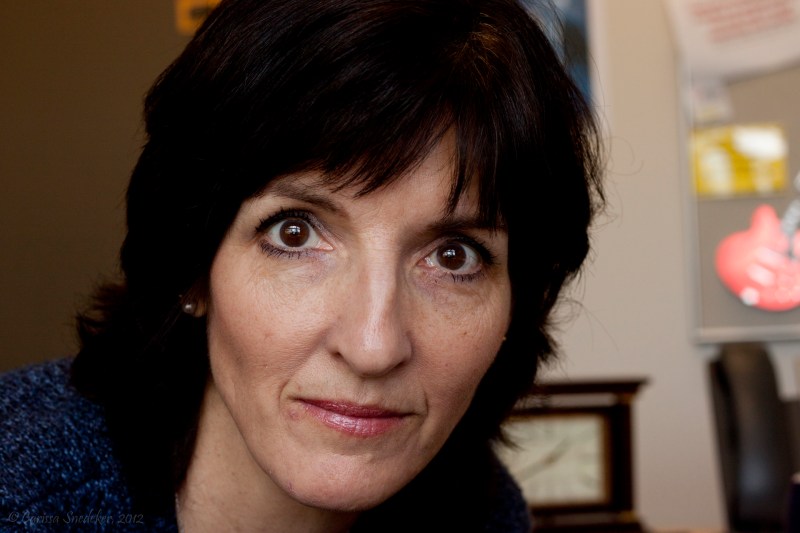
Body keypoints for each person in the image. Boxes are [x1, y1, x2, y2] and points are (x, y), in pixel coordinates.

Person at [0, 0, 604, 531]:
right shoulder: (23, 496)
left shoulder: (481, 512)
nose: (373, 347)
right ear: (192, 267)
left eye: (453, 256)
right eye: (295, 234)